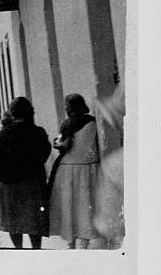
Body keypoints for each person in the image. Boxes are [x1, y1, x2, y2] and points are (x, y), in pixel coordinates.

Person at [0, 97, 51, 249]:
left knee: (13, 221)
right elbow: (45, 152)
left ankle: (19, 250)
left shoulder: (4, 134)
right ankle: (36, 250)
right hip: (32, 183)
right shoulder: (38, 132)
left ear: (12, 114)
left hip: (9, 185)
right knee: (34, 221)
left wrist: (3, 176)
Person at [48, 93, 101, 249]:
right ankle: (84, 242)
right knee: (87, 205)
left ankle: (70, 242)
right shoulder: (93, 121)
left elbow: (63, 144)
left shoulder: (68, 124)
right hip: (91, 168)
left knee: (70, 206)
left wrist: (56, 143)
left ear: (68, 108)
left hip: (70, 169)